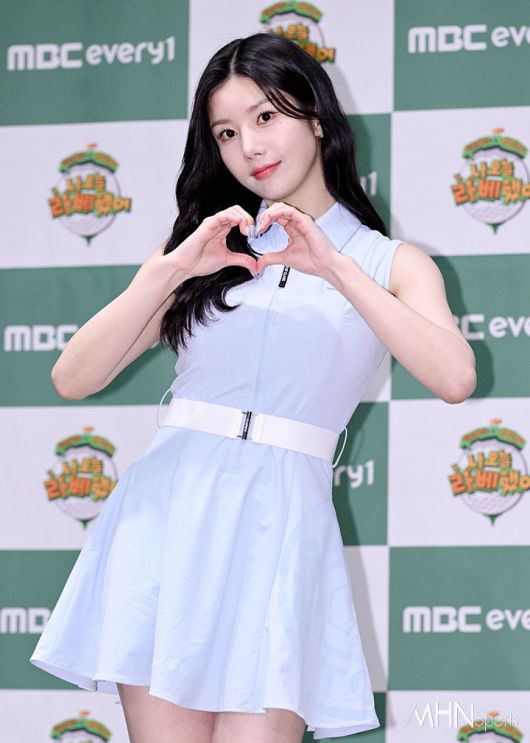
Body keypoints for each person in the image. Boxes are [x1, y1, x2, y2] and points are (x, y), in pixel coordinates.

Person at [29, 31, 476, 743]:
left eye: (266, 117)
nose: (250, 147)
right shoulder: (205, 250)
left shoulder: (389, 262)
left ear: (317, 117)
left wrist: (335, 267)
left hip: (283, 525)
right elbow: (73, 376)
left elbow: (454, 377)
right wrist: (173, 268)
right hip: (170, 518)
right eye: (227, 132)